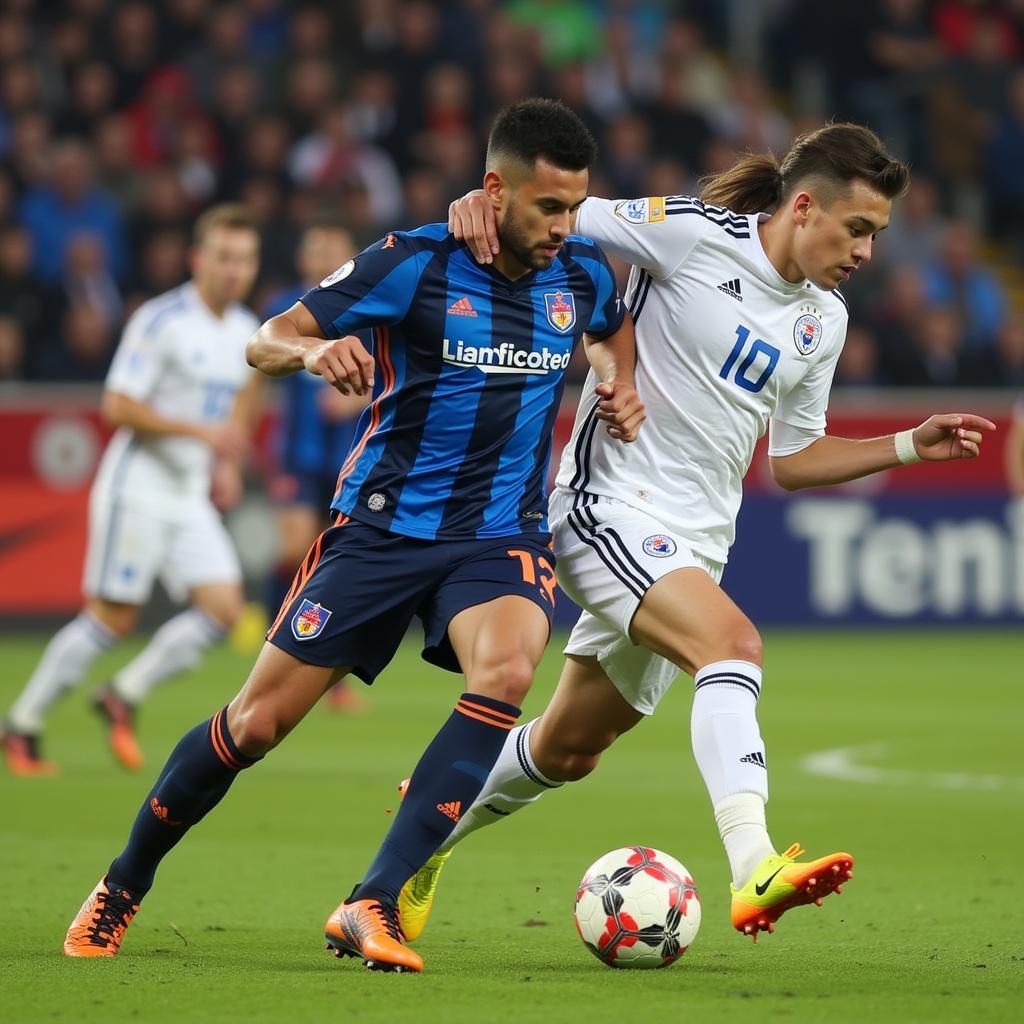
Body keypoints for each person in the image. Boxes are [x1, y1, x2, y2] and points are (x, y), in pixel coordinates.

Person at [61, 99, 645, 972]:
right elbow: (267, 338)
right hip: (379, 533)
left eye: (574, 207)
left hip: (497, 534)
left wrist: (614, 379)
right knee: (254, 726)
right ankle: (121, 883)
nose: (565, 227)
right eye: (548, 208)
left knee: (511, 667)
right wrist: (311, 354)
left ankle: (371, 901)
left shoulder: (584, 276)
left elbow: (612, 332)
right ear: (494, 190)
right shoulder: (414, 262)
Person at [398, 122, 997, 944]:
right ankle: (754, 864)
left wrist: (905, 445)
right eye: (857, 228)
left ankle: (422, 831)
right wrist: (480, 202)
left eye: (877, 235)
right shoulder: (689, 233)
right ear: (805, 206)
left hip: (694, 545)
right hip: (606, 506)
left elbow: (793, 459)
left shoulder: (824, 320)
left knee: (571, 749)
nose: (866, 250)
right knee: (733, 646)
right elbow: (563, 214)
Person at [3, 203, 262, 776]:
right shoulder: (162, 321)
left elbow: (243, 400)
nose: (234, 269)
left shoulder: (246, 331)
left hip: (189, 491)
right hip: (137, 488)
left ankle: (124, 692)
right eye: (223, 256)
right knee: (112, 619)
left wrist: (224, 462)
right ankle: (22, 724)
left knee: (223, 611)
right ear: (198, 259)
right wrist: (200, 431)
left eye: (244, 259)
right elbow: (116, 405)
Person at [261, 220, 371, 713]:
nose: (324, 254)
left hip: (353, 456)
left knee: (335, 563)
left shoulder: (373, 307)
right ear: (304, 257)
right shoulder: (282, 310)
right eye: (316, 245)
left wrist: (354, 403)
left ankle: (328, 667)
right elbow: (256, 371)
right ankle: (271, 640)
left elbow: (392, 376)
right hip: (297, 455)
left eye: (334, 244)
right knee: (294, 548)